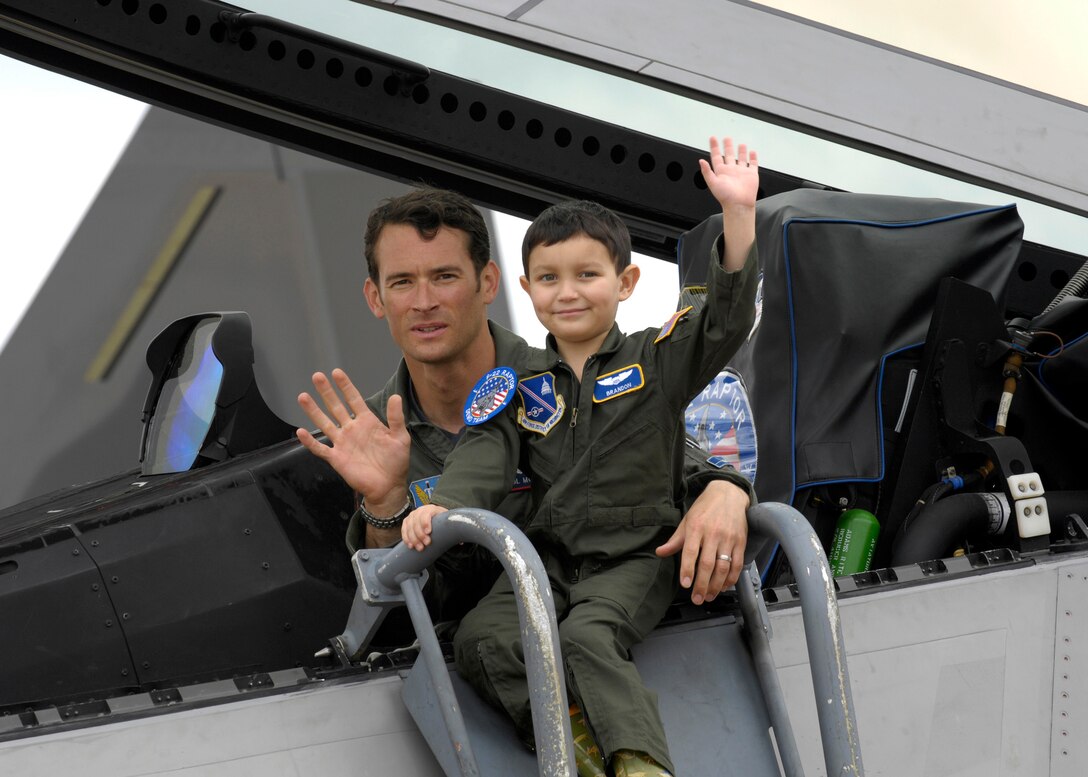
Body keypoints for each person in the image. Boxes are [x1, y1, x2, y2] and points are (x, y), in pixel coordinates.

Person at [400, 137, 760, 777]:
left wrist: (738, 216)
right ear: (526, 289)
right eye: (548, 278)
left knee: (588, 639)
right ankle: (574, 753)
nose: (567, 293)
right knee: (483, 642)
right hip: (550, 561)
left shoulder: (655, 359)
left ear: (625, 283)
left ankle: (641, 763)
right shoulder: (515, 382)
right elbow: (484, 452)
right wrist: (445, 507)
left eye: (587, 275)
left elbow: (723, 324)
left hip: (636, 553)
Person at [295, 187, 753, 638]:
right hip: (480, 665)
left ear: (488, 282)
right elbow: (389, 627)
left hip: (607, 642)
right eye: (401, 282)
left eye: (445, 276)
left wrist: (722, 488)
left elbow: (657, 455)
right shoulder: (360, 444)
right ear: (376, 298)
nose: (423, 301)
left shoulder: (560, 381)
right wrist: (386, 507)